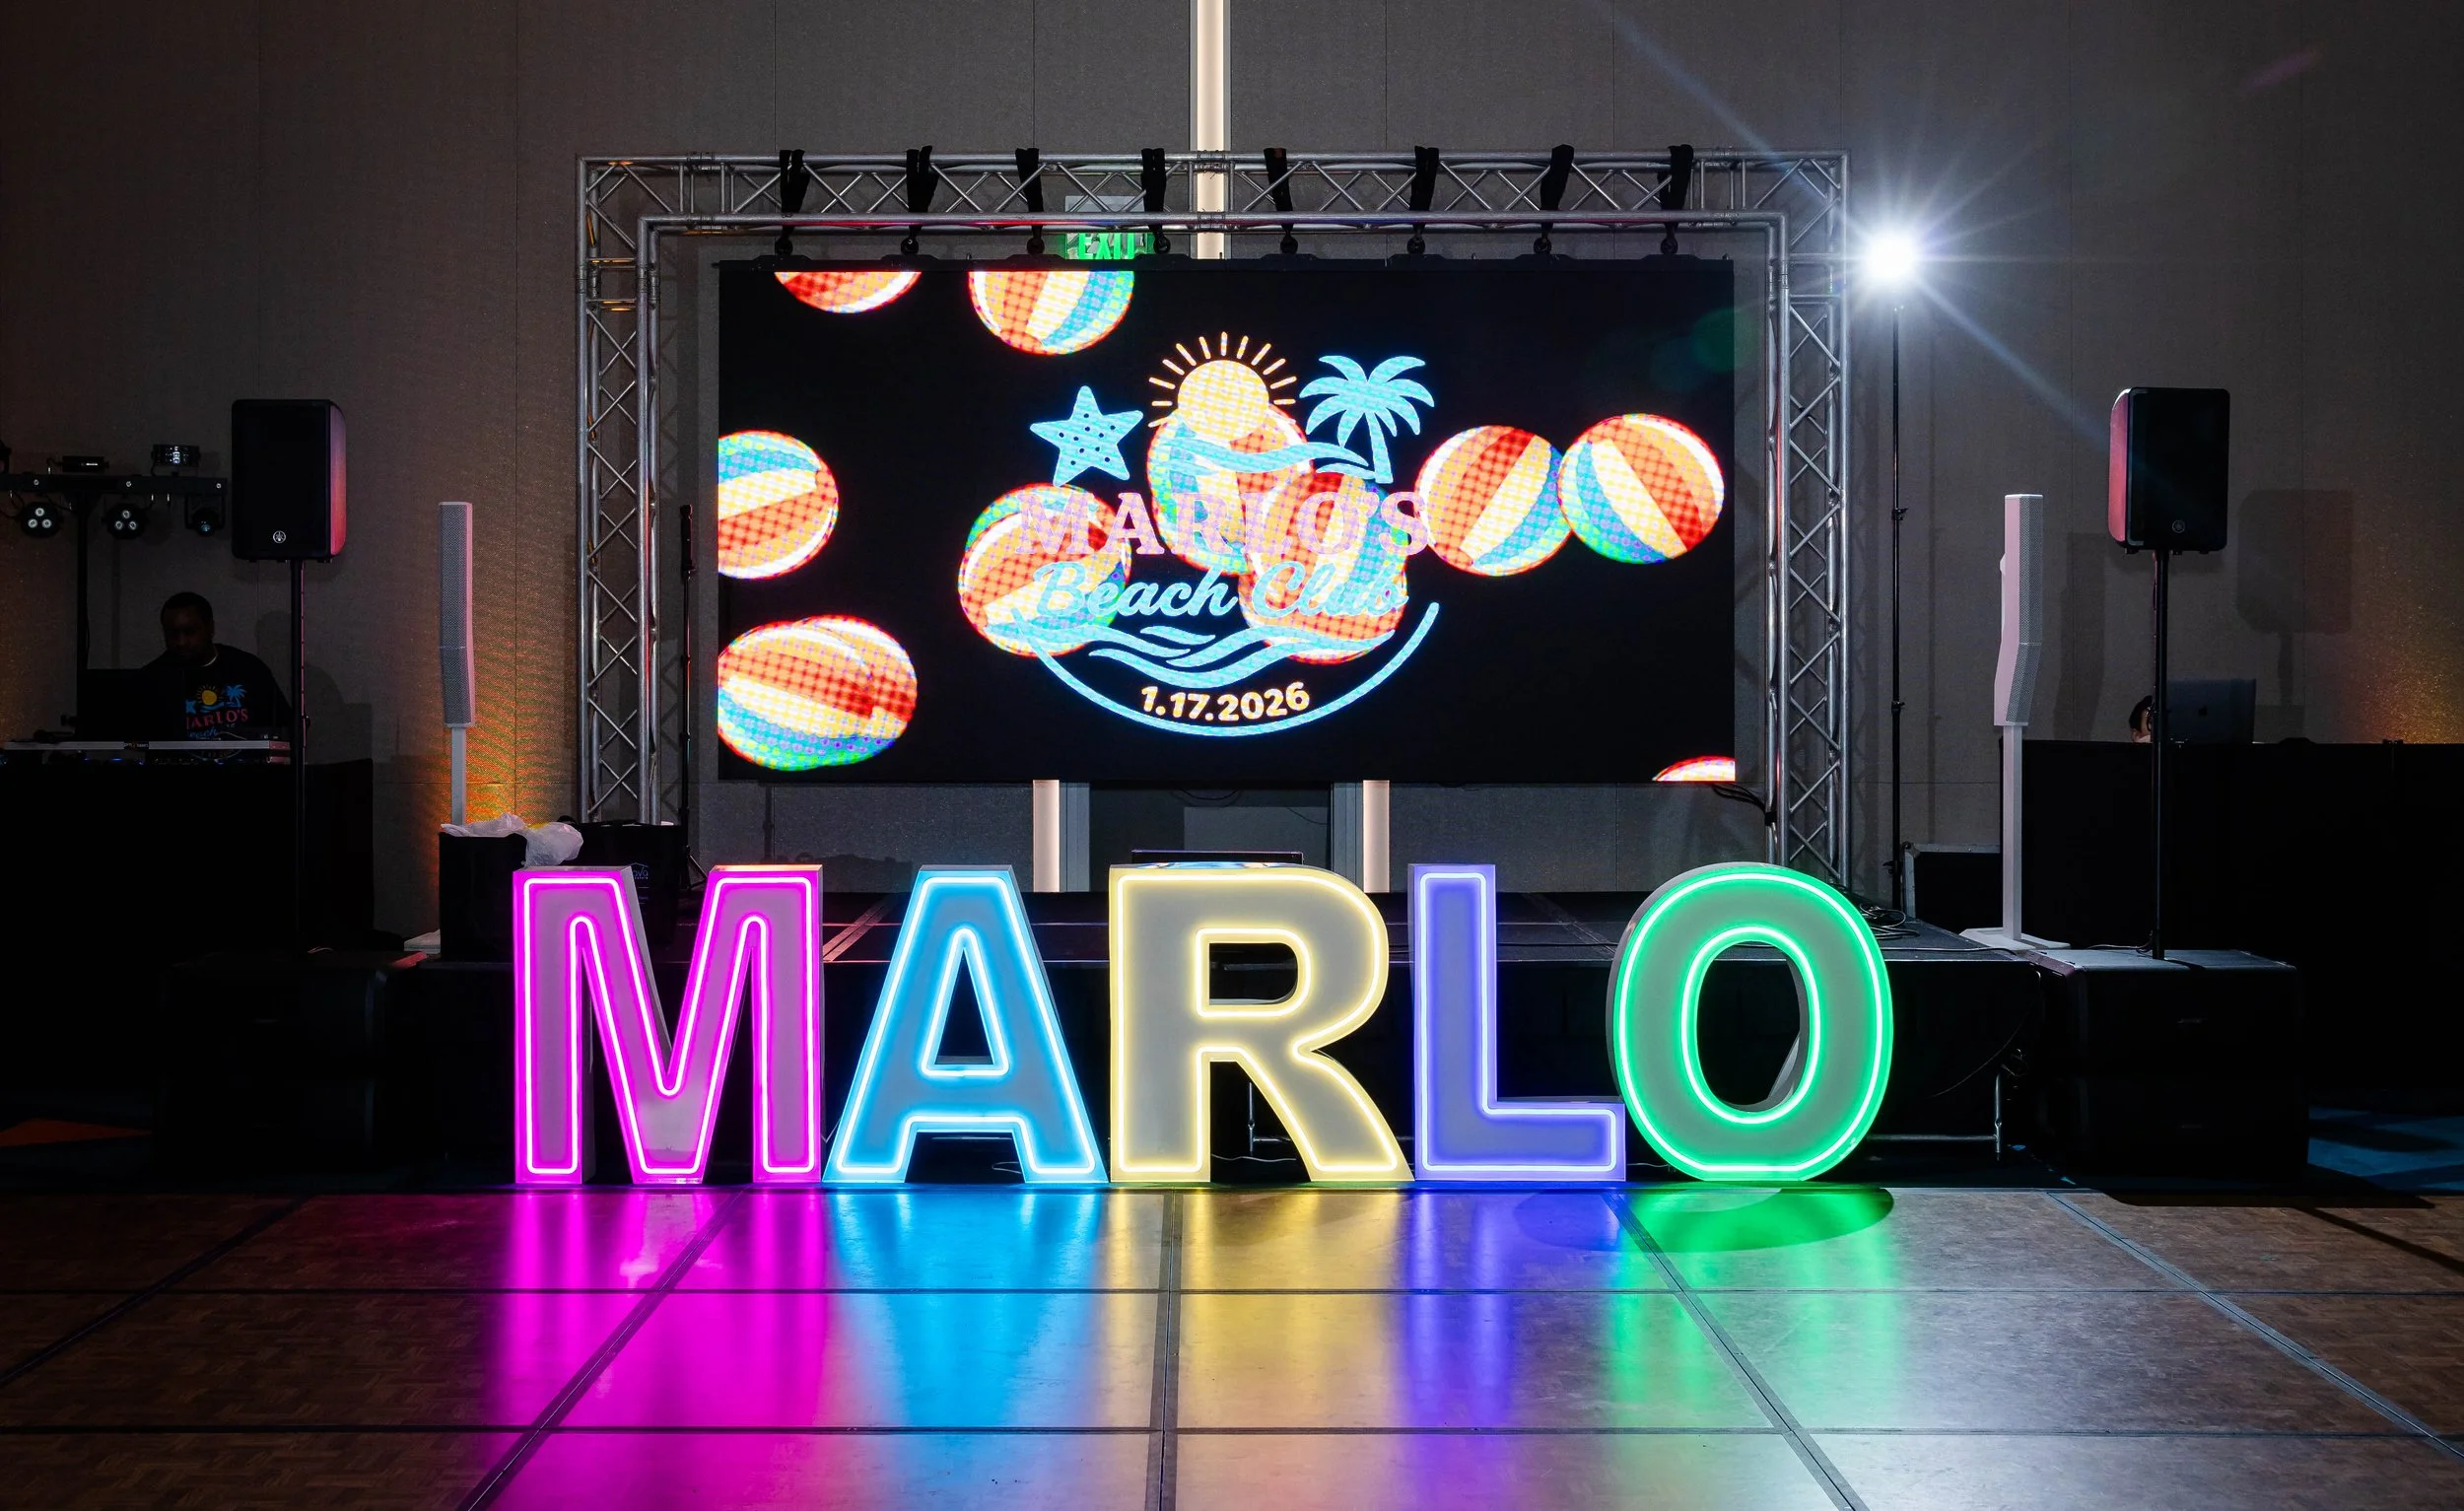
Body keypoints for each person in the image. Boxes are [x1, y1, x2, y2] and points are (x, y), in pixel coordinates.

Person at [146, 591, 294, 738]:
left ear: (210, 628)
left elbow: (285, 729)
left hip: (245, 762)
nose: (181, 642)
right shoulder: (152, 678)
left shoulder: (249, 668)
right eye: (172, 634)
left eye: (190, 632)